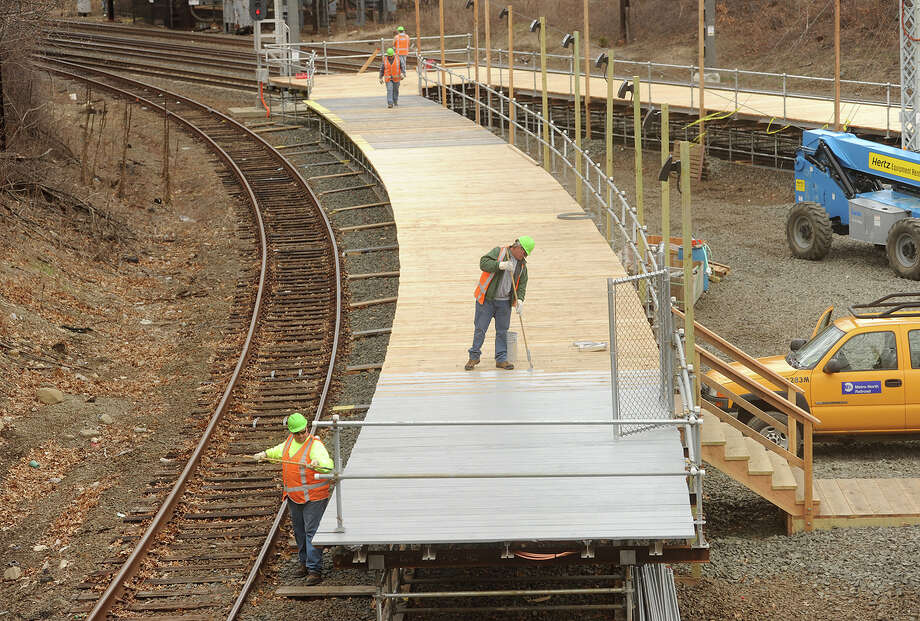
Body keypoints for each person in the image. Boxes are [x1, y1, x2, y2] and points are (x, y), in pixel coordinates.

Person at [252, 412, 333, 585]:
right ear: (291, 432)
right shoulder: (289, 443)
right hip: (295, 498)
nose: (302, 435)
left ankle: (314, 570)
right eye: (297, 433)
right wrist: (264, 454)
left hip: (314, 497)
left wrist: (319, 464)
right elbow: (277, 451)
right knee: (300, 532)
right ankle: (304, 563)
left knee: (312, 532)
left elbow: (329, 465)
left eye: (303, 431)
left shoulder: (315, 446)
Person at [466, 236, 534, 371]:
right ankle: (474, 357)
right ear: (518, 247)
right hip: (486, 300)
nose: (524, 256)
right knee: (480, 329)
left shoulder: (522, 266)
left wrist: (520, 300)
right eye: (524, 253)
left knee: (502, 331)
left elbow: (522, 285)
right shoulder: (500, 252)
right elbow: (483, 263)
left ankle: (501, 359)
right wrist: (500, 265)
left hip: (504, 303)